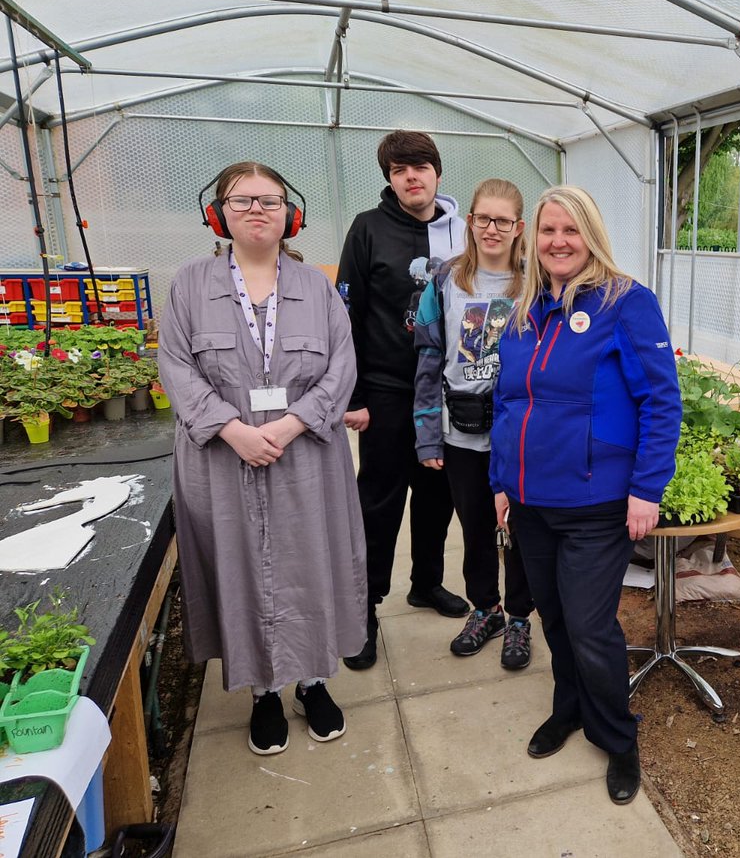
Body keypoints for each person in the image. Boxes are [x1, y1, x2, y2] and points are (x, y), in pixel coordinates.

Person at [159, 161, 366, 756]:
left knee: (311, 564)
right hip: (224, 461)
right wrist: (231, 429)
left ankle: (313, 681)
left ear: (290, 215)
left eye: (269, 200)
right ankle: (264, 692)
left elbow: (342, 366)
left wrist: (296, 421)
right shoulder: (190, 285)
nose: (256, 209)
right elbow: (175, 365)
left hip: (306, 455)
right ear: (217, 212)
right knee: (242, 569)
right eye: (241, 199)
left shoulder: (317, 288)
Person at [489, 185, 681, 804]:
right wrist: (500, 481)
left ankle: (618, 737)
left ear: (590, 235)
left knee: (592, 626)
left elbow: (660, 400)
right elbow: (508, 402)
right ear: (532, 238)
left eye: (571, 230)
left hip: (596, 501)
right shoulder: (523, 310)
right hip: (530, 499)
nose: (558, 242)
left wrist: (647, 489)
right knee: (553, 614)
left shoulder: (626, 303)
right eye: (548, 231)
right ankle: (567, 708)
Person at [337, 131, 469, 671]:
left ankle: (427, 583)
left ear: (437, 171)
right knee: (380, 502)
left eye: (419, 166)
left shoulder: (462, 231)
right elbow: (345, 315)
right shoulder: (368, 229)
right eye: (399, 169)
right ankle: (364, 610)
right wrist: (355, 393)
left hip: (446, 393)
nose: (411, 176)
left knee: (438, 495)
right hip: (388, 391)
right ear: (389, 178)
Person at [413, 178, 535, 669]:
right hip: (460, 431)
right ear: (470, 221)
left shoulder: (536, 282)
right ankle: (487, 609)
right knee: (476, 526)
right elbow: (427, 358)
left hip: (521, 435)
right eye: (482, 218)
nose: (491, 228)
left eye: (502, 221)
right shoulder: (444, 280)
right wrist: (426, 435)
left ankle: (522, 618)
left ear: (518, 228)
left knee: (522, 528)